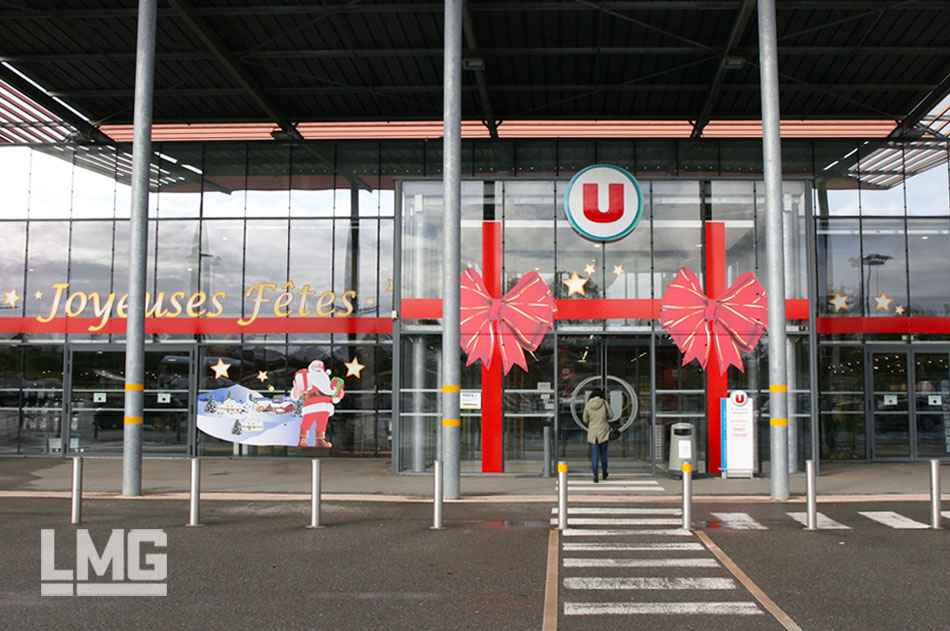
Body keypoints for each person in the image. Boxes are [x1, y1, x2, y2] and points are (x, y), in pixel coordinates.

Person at [583, 387, 613, 483]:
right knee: (603, 454)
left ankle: (595, 474)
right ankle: (604, 473)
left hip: (593, 433)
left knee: (595, 454)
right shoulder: (604, 403)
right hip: (603, 431)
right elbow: (612, 415)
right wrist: (605, 417)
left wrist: (591, 420)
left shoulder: (588, 404)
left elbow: (585, 419)